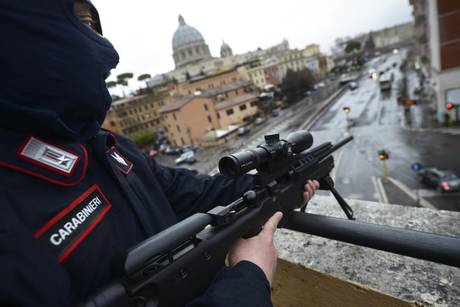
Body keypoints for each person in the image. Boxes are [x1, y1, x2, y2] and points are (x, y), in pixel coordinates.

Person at [0, 0, 319, 306]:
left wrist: (277, 184)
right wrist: (250, 276)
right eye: (83, 23)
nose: (108, 53)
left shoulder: (108, 146)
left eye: (97, 28)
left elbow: (189, 191)